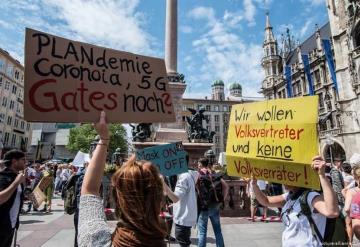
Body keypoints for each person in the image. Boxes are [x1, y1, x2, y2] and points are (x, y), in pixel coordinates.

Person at [78, 111, 166, 247]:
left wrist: (104, 139)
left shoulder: (94, 240)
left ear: (118, 201)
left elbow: (89, 191)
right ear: (160, 202)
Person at [252, 156, 339, 246]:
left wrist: (322, 176)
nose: (282, 179)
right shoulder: (289, 196)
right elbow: (266, 201)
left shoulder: (310, 196)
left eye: (287, 175)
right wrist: (254, 185)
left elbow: (332, 212)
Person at [162, 168, 199, 247]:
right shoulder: (190, 174)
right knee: (184, 241)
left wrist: (162, 182)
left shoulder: (184, 177)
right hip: (186, 216)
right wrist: (175, 204)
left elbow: (175, 198)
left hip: (183, 217)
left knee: (182, 241)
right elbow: (184, 196)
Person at [196, 157, 229, 247]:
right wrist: (222, 200)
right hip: (215, 205)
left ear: (200, 164)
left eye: (198, 164)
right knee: (218, 231)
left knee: (202, 232)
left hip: (204, 206)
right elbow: (226, 187)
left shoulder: (198, 175)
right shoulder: (214, 174)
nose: (198, 166)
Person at [0, 150, 26, 247]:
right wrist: (16, 183)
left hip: (11, 225)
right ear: (14, 161)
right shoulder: (3, 177)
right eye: (23, 160)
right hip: (2, 224)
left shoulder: (16, 176)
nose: (25, 162)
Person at [344, 166, 360, 245]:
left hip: (354, 216)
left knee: (348, 223)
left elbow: (347, 208)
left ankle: (349, 242)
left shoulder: (351, 191)